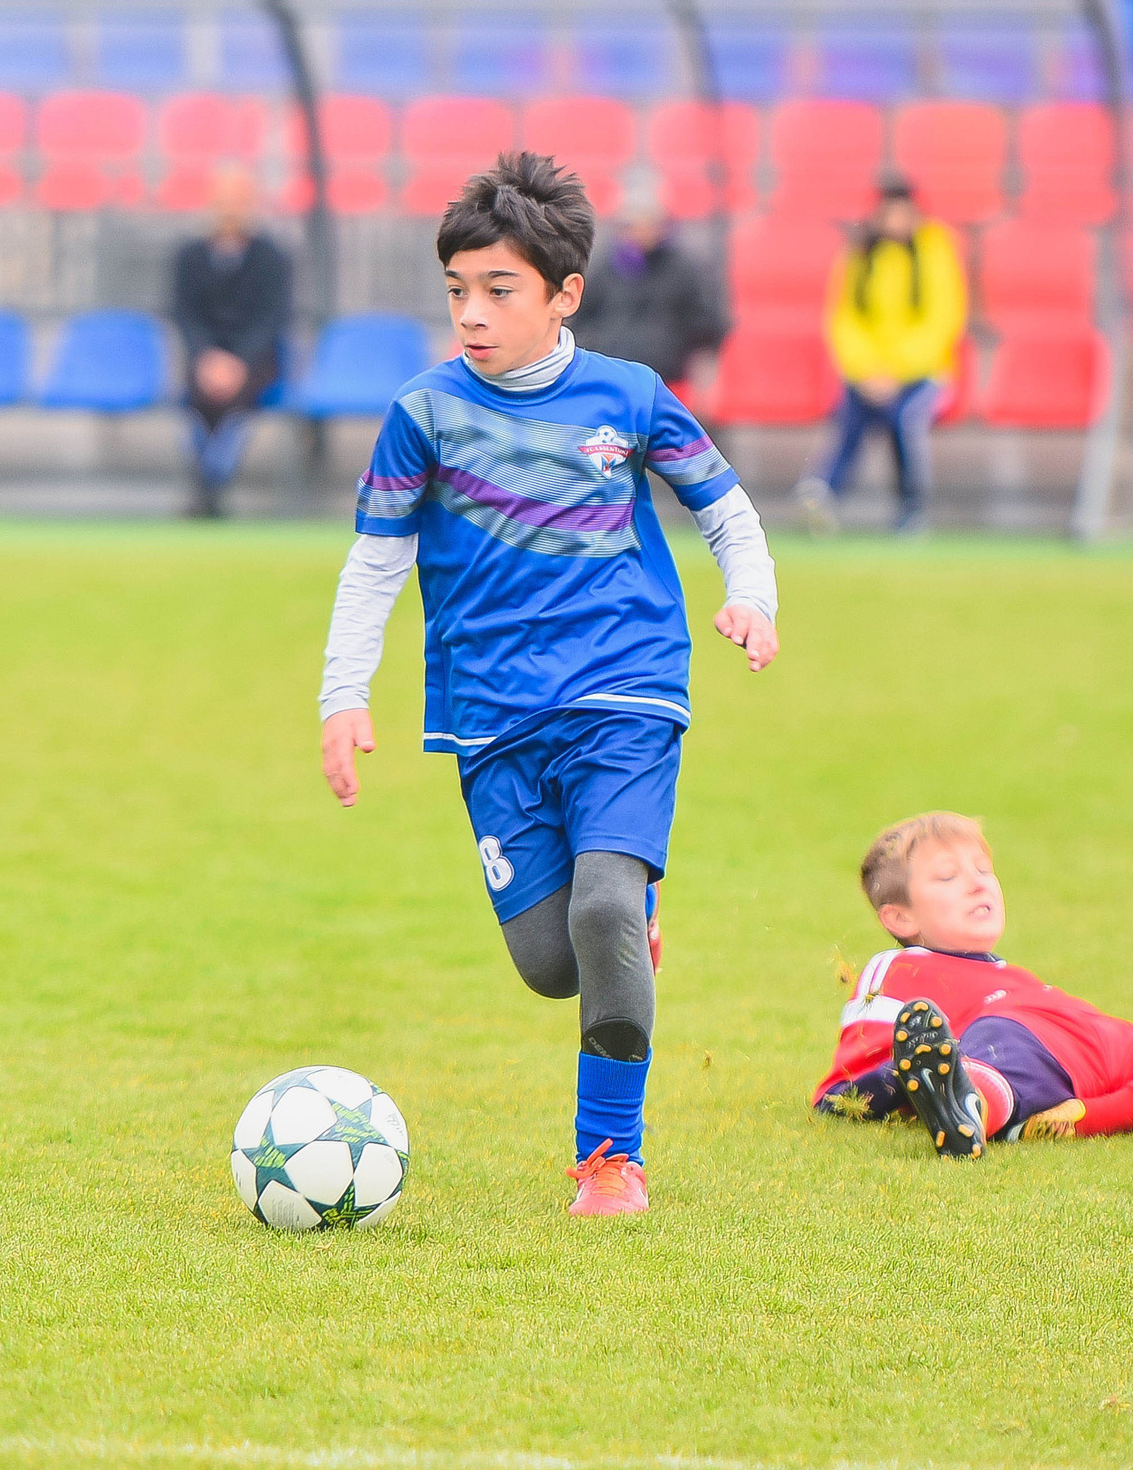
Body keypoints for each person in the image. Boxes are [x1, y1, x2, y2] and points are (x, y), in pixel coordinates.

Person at [316, 152, 781, 1218]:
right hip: (488, 715)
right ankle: (621, 937)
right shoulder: (422, 412)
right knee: (550, 961)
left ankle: (610, 1156)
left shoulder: (629, 395)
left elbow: (724, 505)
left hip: (626, 688)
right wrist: (343, 696)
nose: (471, 314)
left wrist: (750, 595)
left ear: (565, 293)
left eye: (498, 290)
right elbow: (374, 559)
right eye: (456, 291)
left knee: (606, 905)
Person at [817, 813, 1133, 1158]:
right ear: (900, 916)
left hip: (1119, 1052)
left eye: (983, 869)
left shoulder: (1008, 974)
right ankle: (974, 1103)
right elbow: (855, 1086)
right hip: (1020, 1055)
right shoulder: (900, 967)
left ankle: (1083, 1118)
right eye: (948, 876)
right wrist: (917, 1075)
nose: (978, 882)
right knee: (1004, 1034)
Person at [798, 172, 967, 534]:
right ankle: (824, 495)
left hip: (924, 374)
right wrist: (866, 369)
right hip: (868, 376)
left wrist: (896, 370)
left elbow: (943, 319)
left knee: (905, 418)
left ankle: (911, 506)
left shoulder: (935, 251)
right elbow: (844, 319)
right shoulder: (861, 255)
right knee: (850, 412)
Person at [170, 166, 292, 518]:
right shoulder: (190, 256)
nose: (230, 209)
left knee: (235, 402)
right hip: (204, 361)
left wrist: (238, 361)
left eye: (238, 200)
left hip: (255, 362)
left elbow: (271, 319)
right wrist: (207, 358)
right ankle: (207, 485)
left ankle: (211, 485)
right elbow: (184, 314)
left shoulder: (272, 257)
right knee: (197, 400)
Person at [567, 190, 726, 389]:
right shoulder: (605, 266)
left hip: (666, 381)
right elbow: (582, 316)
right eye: (630, 225)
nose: (637, 232)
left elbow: (705, 324)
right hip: (613, 378)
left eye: (645, 223)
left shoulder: (684, 268)